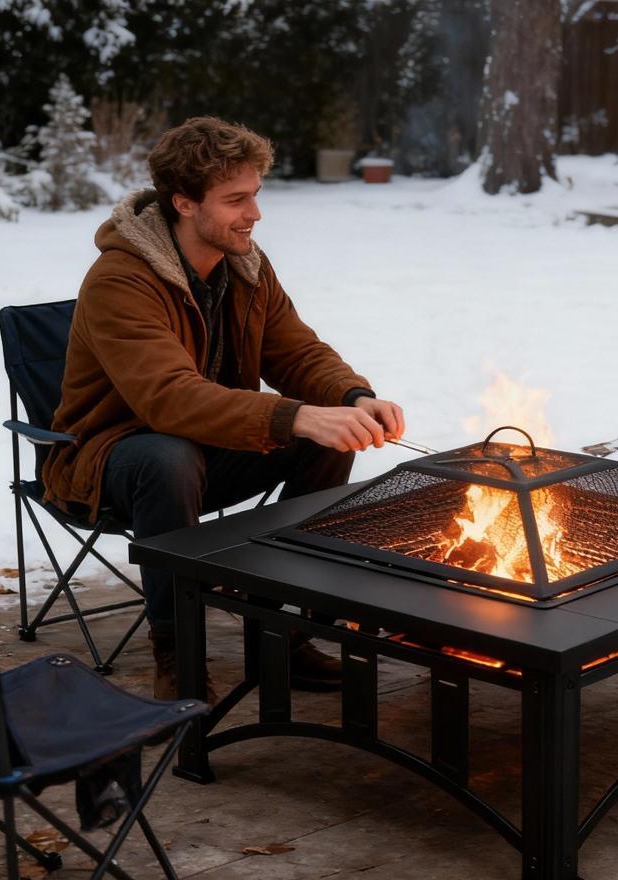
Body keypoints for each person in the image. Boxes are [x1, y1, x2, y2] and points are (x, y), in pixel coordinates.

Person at [44, 116, 406, 699]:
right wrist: (293, 414)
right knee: (168, 456)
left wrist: (351, 396)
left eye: (255, 195)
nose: (254, 214)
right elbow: (168, 397)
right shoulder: (120, 279)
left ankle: (278, 630)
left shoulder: (245, 266)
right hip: (110, 462)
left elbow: (297, 350)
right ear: (184, 202)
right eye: (236, 200)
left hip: (209, 451)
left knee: (324, 437)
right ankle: (177, 652)